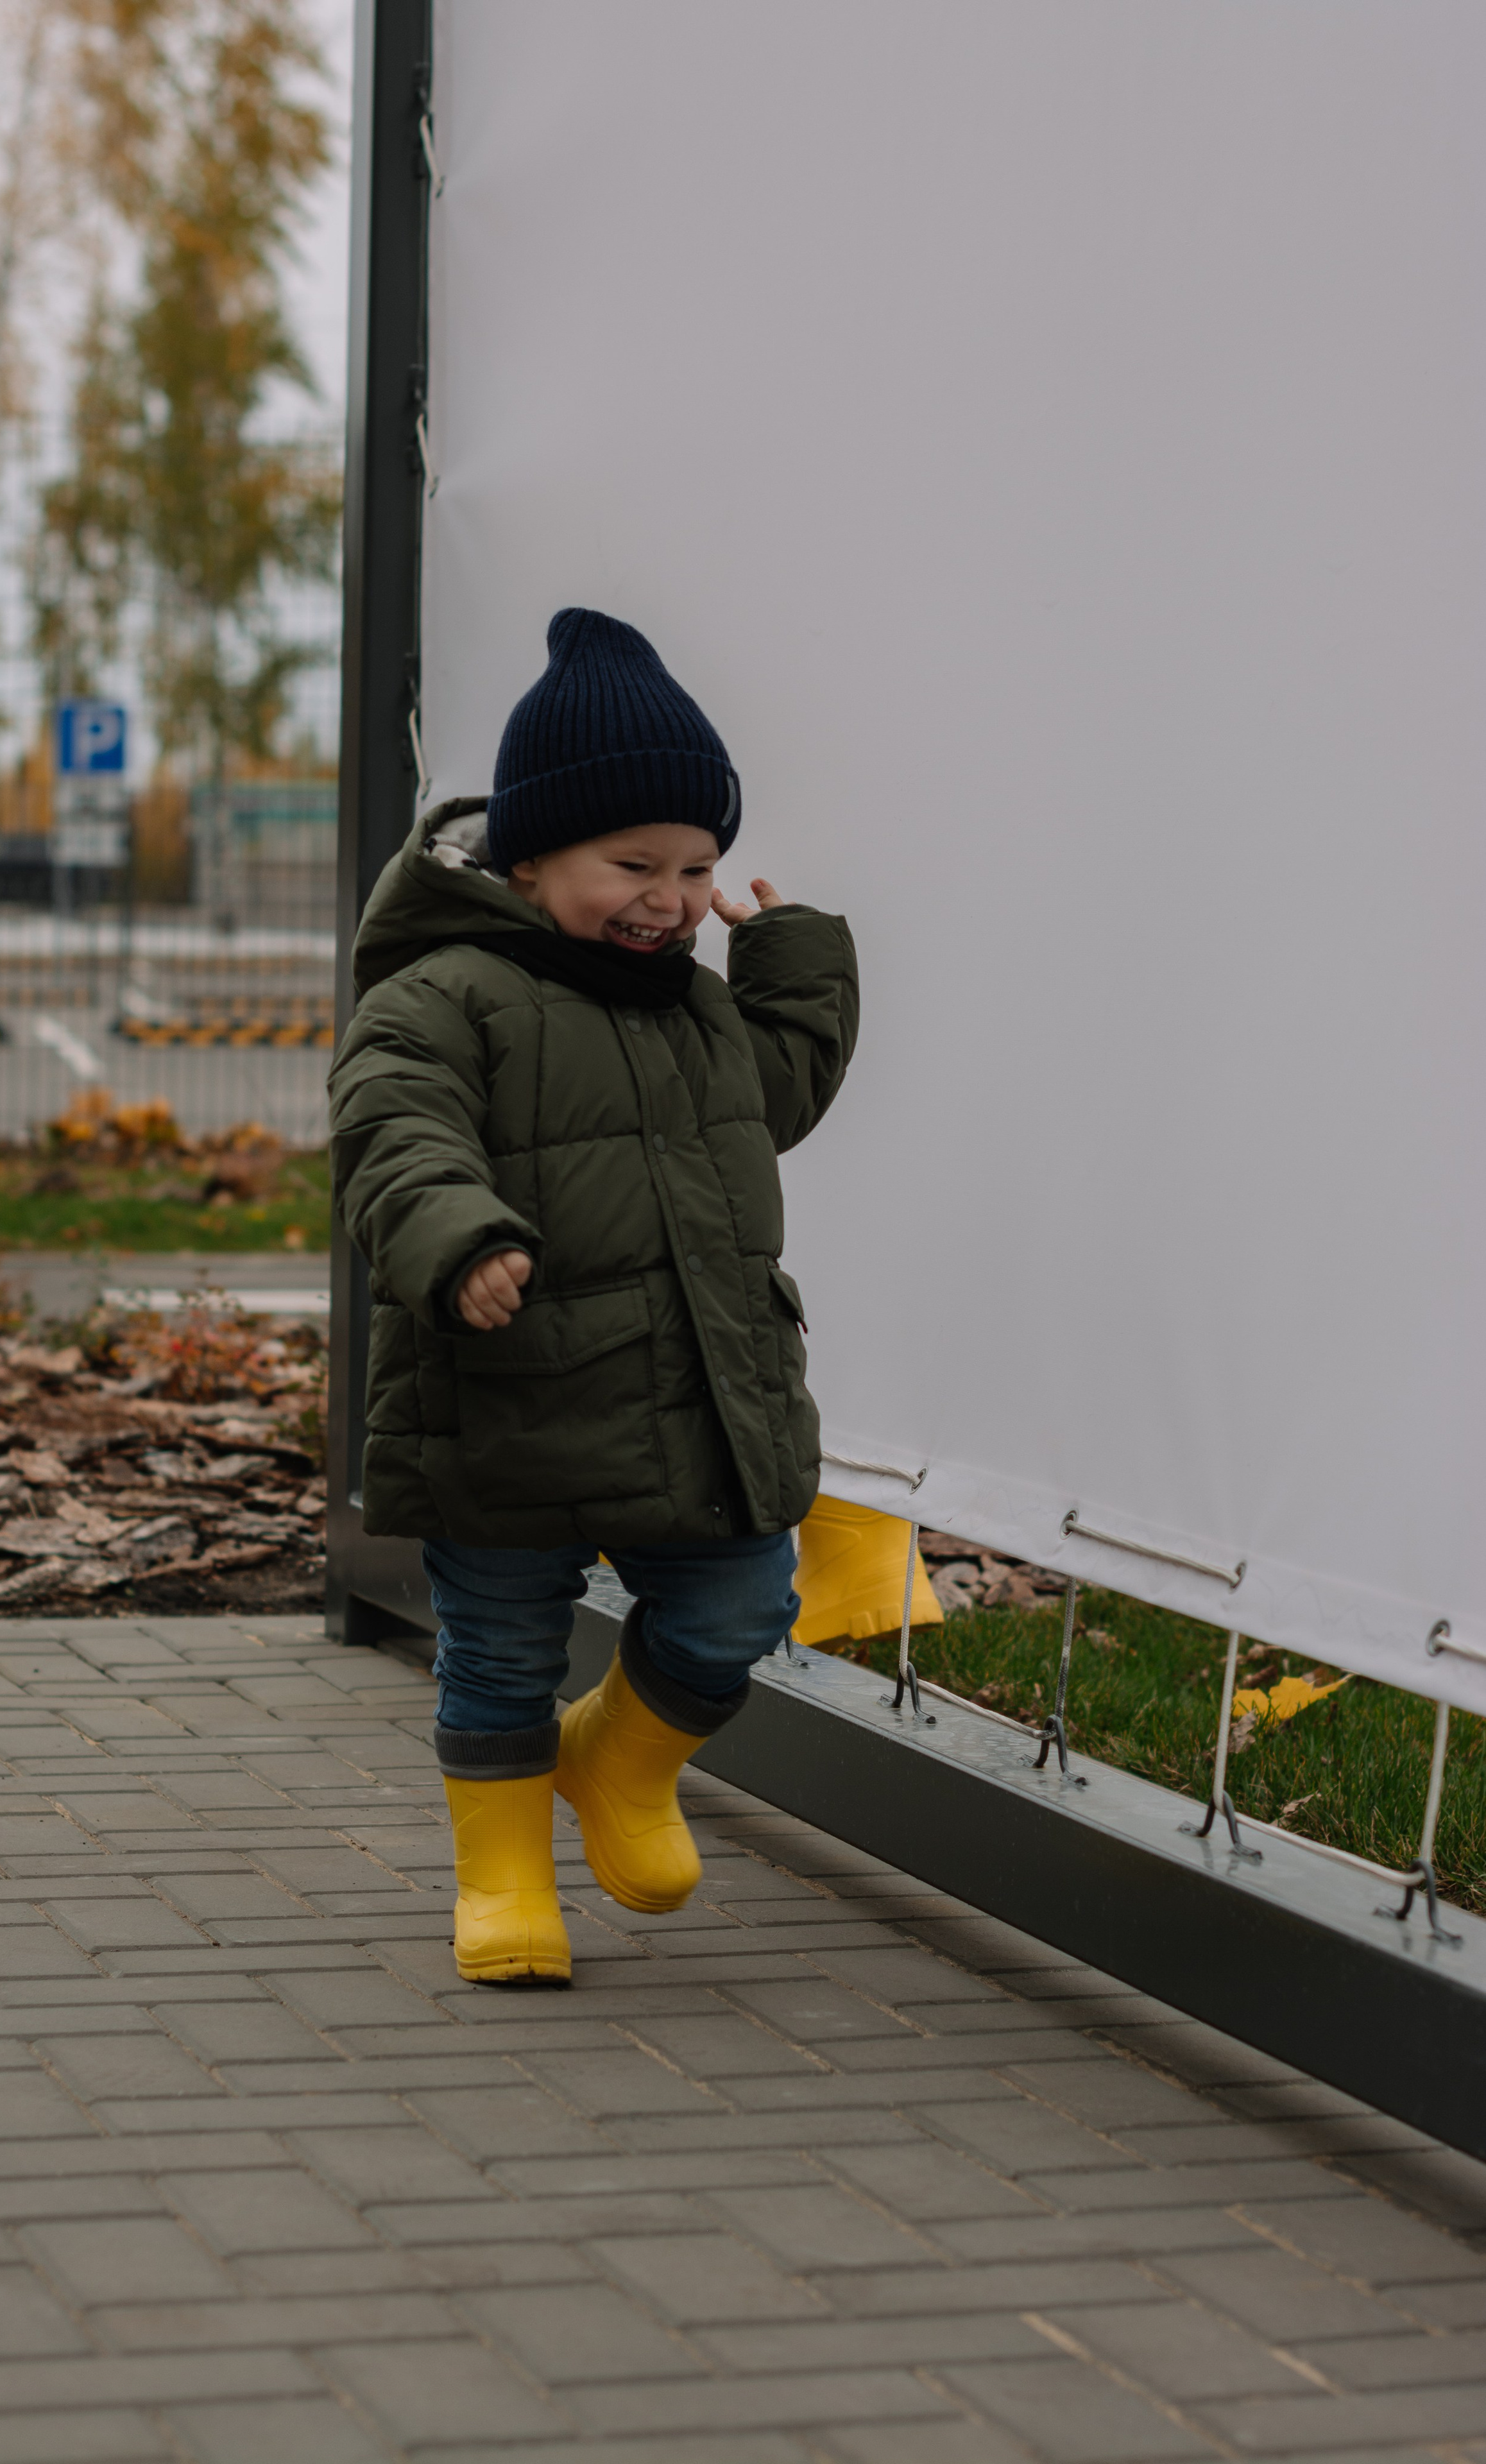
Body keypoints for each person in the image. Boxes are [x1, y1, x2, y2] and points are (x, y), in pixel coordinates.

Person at [330, 608, 858, 1983]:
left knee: (740, 1607)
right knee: (500, 1647)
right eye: (633, 864)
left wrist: (789, 967)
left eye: (695, 868)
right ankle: (502, 1878)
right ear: (527, 857)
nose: (671, 900)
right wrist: (456, 1239)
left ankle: (614, 1768)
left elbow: (771, 1102)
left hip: (692, 1401)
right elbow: (394, 1129)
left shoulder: (691, 1008)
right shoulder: (441, 992)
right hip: (502, 1390)